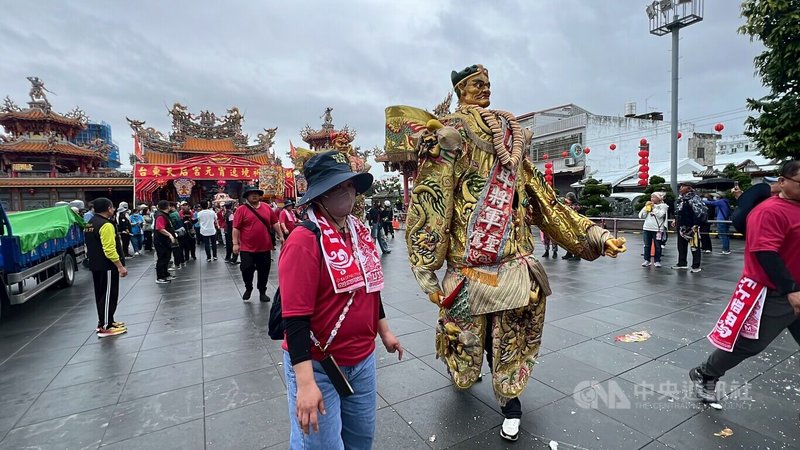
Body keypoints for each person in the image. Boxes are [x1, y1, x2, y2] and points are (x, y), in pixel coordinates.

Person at [394, 64, 626, 441]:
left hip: (515, 267)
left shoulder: (512, 139)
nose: (485, 89)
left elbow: (547, 202)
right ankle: (465, 373)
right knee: (466, 343)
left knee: (512, 340)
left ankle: (511, 402)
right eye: (476, 84)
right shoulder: (450, 136)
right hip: (469, 269)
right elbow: (431, 205)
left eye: (488, 83)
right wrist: (425, 269)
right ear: (459, 90)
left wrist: (596, 235)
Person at [280, 151, 403, 449]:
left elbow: (370, 287)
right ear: (318, 196)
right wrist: (305, 384)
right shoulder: (304, 239)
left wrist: (384, 331)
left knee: (361, 440)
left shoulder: (358, 232)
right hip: (318, 364)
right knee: (321, 446)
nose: (345, 193)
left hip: (362, 359)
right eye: (335, 188)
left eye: (348, 185)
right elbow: (294, 317)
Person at [690, 160, 800, 403]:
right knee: (749, 345)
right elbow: (765, 252)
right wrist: (791, 290)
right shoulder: (769, 211)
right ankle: (705, 373)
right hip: (775, 292)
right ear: (782, 182)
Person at [84, 197, 128, 337]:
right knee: (108, 295)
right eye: (112, 207)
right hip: (106, 266)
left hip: (96, 265)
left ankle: (109, 320)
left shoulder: (90, 223)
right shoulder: (106, 225)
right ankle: (105, 326)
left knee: (102, 294)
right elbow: (109, 249)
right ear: (108, 208)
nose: (113, 210)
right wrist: (120, 266)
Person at [232, 186, 283, 302]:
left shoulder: (266, 207)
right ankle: (248, 287)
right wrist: (235, 243)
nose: (254, 195)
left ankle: (262, 292)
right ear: (247, 196)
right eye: (251, 194)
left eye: (256, 193)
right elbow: (236, 228)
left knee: (264, 271)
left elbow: (275, 222)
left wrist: (281, 236)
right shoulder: (241, 210)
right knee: (246, 269)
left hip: (264, 247)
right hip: (246, 247)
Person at [671, 182, 707, 273]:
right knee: (681, 245)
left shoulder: (695, 198)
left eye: (683, 186)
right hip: (681, 224)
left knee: (694, 245)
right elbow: (678, 211)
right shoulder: (681, 198)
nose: (680, 188)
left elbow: (699, 212)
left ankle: (696, 265)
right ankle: (682, 262)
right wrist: (675, 219)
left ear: (689, 188)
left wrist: (696, 224)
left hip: (692, 225)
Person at [638, 192, 669, 267]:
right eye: (651, 197)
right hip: (647, 227)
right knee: (647, 245)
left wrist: (654, 208)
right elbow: (641, 216)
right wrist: (646, 208)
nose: (652, 199)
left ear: (659, 198)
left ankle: (657, 261)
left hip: (657, 229)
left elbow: (660, 215)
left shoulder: (663, 206)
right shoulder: (648, 205)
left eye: (654, 197)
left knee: (658, 245)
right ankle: (647, 260)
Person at [153, 200, 178, 284]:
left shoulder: (165, 215)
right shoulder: (160, 216)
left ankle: (165, 274)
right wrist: (169, 235)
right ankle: (160, 277)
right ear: (167, 206)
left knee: (167, 257)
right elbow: (160, 228)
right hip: (161, 241)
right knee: (162, 258)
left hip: (165, 241)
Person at [560, 193, 582, 261]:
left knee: (575, 239)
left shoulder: (575, 204)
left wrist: (572, 207)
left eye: (568, 197)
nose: (567, 198)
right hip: (568, 223)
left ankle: (577, 255)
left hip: (575, 223)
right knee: (569, 239)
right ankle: (569, 253)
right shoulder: (567, 203)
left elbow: (577, 209)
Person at [169, 203, 186, 268]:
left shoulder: (172, 215)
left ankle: (177, 263)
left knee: (176, 248)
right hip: (180, 232)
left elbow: (173, 224)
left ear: (172, 207)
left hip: (175, 232)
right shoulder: (177, 213)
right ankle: (182, 261)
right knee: (180, 247)